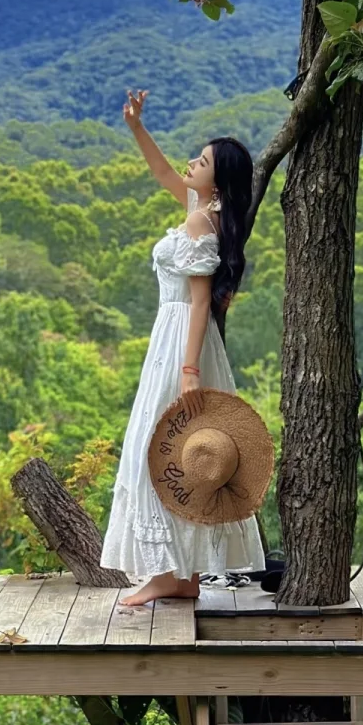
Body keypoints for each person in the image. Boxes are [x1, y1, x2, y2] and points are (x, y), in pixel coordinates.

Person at [101, 88, 266, 606]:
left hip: (181, 340)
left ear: (219, 181)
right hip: (178, 336)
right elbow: (165, 175)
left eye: (204, 160)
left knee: (163, 447)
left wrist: (189, 368)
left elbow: (198, 302)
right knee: (180, 451)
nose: (192, 162)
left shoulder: (200, 221)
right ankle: (182, 573)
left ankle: (171, 572)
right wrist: (136, 127)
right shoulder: (206, 211)